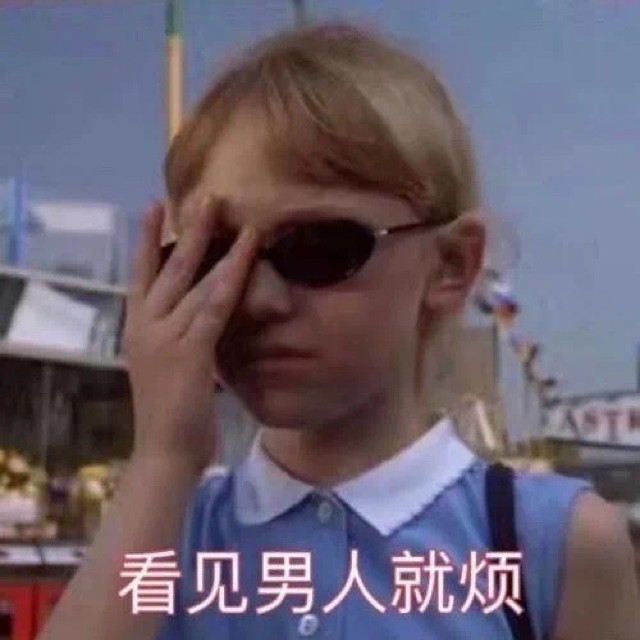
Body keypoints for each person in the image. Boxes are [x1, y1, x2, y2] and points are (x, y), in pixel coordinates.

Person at [38, 22, 639, 640]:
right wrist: (162, 458)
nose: (258, 300)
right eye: (216, 257)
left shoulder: (552, 544)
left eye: (319, 247)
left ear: (452, 265)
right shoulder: (163, 531)